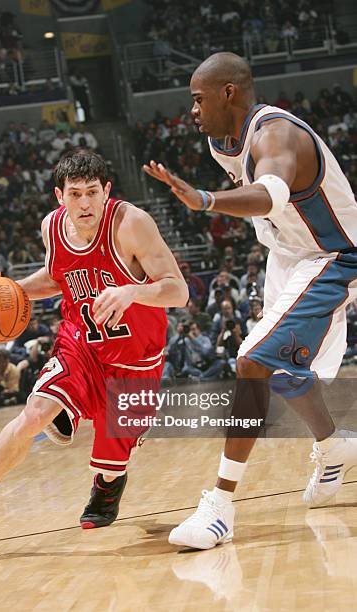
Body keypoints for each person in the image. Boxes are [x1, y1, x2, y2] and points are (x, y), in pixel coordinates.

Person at [143, 52, 357, 550]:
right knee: (282, 371)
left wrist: (206, 200)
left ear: (229, 93)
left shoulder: (275, 135)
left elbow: (271, 194)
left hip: (335, 254)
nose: (191, 111)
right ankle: (334, 448)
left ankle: (218, 507)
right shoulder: (223, 140)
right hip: (288, 252)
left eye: (198, 100)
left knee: (252, 362)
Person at [0, 150, 188, 532]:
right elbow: (58, 278)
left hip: (134, 357)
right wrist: (10, 290)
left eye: (92, 192)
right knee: (34, 413)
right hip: (80, 344)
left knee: (112, 455)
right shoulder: (52, 227)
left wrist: (131, 292)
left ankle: (108, 483)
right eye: (75, 193)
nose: (84, 202)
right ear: (59, 196)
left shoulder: (132, 224)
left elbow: (178, 291)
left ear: (107, 191)